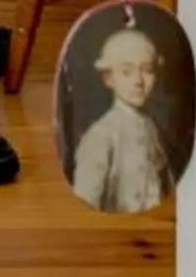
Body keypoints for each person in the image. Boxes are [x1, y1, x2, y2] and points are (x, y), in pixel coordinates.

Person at [68, 23, 172, 212]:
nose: (138, 81)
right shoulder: (101, 135)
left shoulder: (150, 127)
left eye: (147, 70)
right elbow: (86, 201)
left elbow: (165, 184)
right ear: (108, 78)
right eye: (127, 72)